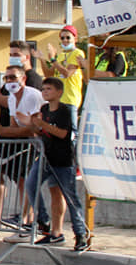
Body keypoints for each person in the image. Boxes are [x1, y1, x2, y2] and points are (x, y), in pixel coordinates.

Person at [0, 65, 43, 238]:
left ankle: (29, 222)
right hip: (20, 140)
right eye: (7, 78)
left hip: (39, 143)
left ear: (23, 79)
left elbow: (32, 130)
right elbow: (14, 126)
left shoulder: (32, 96)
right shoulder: (12, 98)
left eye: (13, 77)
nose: (10, 82)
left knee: (25, 181)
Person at [27, 78, 90, 252]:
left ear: (59, 92)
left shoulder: (65, 110)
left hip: (63, 160)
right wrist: (34, 127)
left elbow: (64, 133)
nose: (45, 92)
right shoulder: (44, 109)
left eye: (49, 89)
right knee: (31, 184)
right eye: (43, 89)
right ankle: (44, 220)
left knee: (70, 198)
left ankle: (80, 234)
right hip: (46, 157)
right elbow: (42, 132)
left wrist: (43, 125)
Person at [39, 25, 85, 135]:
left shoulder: (78, 53)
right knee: (57, 130)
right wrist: (41, 58)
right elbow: (49, 74)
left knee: (71, 132)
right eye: (62, 38)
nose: (65, 40)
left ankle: (73, 151)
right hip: (58, 100)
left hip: (70, 99)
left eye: (68, 37)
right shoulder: (60, 56)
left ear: (75, 39)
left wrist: (53, 59)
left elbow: (67, 73)